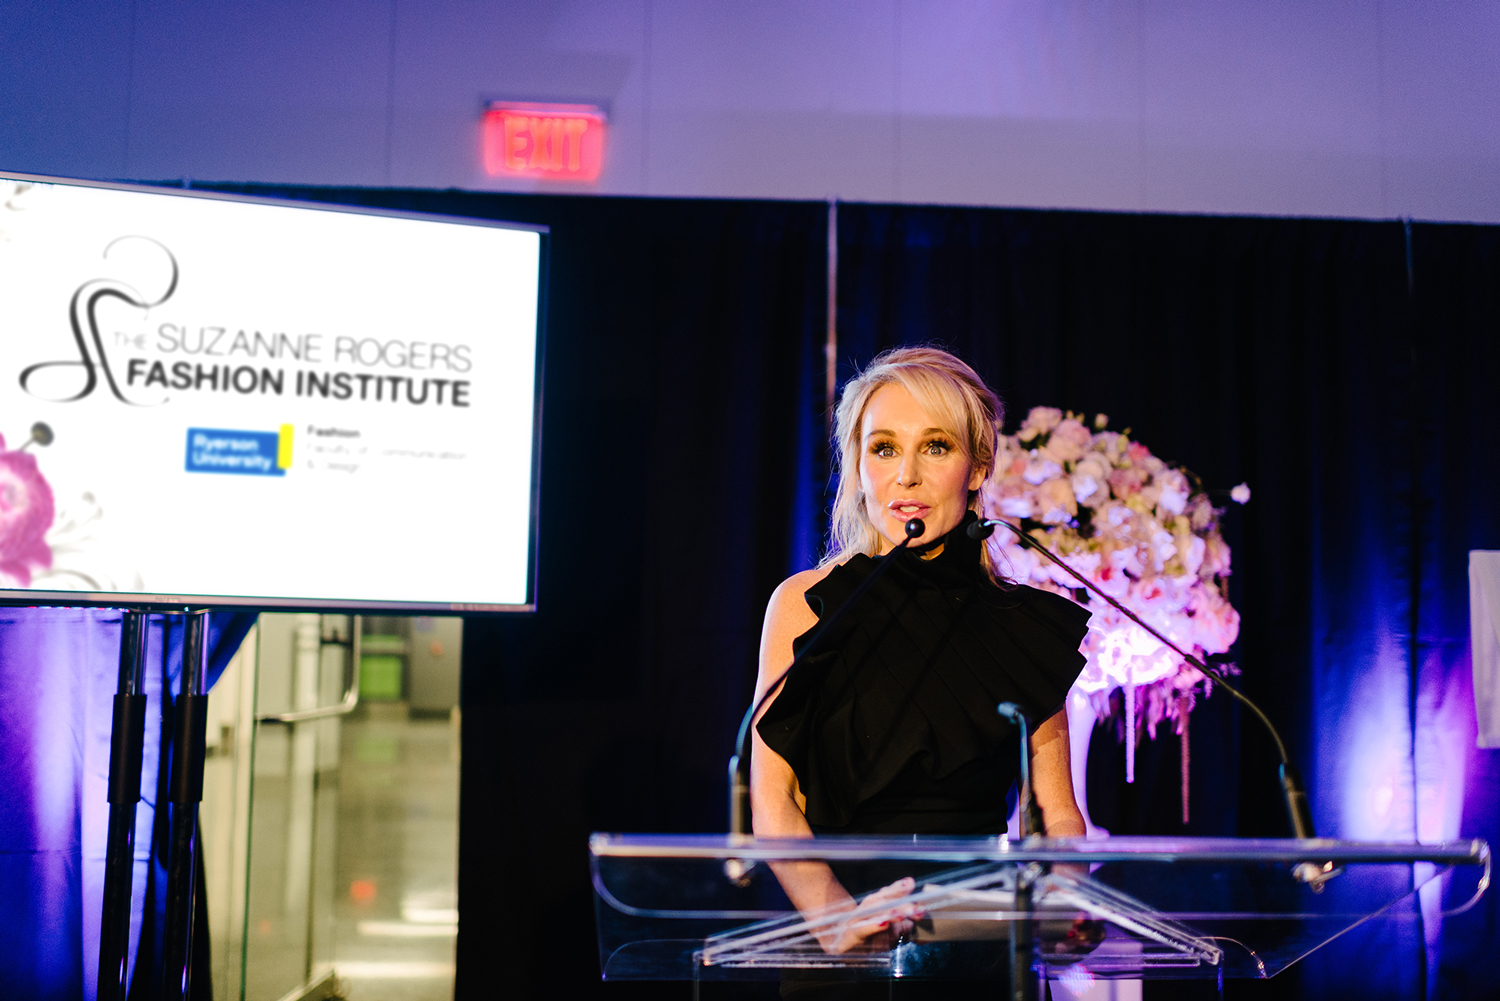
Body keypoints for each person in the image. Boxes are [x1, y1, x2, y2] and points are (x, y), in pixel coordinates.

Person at [749, 346, 1092, 964]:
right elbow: (773, 799)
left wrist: (1063, 904)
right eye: (883, 448)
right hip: (844, 950)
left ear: (978, 465)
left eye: (935, 446)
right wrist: (835, 918)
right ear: (858, 466)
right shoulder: (805, 604)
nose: (906, 474)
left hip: (980, 951)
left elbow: (1057, 815)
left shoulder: (1020, 622)